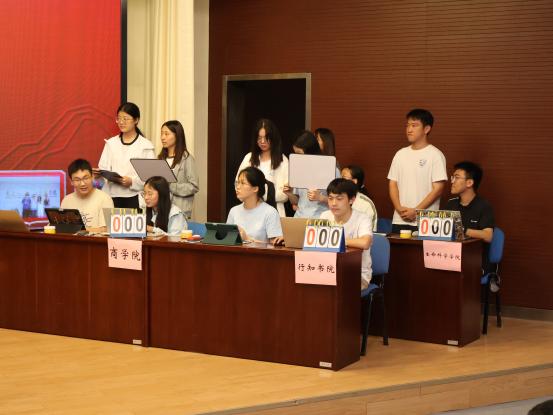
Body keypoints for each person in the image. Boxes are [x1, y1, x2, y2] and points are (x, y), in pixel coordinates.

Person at [387, 108, 447, 233]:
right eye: (407, 125)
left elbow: (438, 189)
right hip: (400, 219)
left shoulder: (435, 155)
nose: (409, 130)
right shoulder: (400, 154)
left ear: (426, 129)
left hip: (425, 221)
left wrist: (416, 211)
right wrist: (399, 208)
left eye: (414, 125)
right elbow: (393, 183)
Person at [94, 102, 155, 209]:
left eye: (125, 119)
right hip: (111, 197)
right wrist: (99, 174)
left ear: (136, 120)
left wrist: (132, 182)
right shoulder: (111, 143)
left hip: (135, 198)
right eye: (119, 118)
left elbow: (150, 177)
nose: (121, 122)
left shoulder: (145, 146)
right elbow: (103, 169)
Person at [320, 178, 373, 290]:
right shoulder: (325, 216)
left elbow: (365, 242)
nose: (334, 203)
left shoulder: (362, 218)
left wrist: (335, 240)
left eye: (339, 199)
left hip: (357, 274)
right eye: (330, 198)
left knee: (334, 286)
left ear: (351, 200)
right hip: (329, 269)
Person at [445, 161, 495, 274]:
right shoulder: (450, 204)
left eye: (457, 177)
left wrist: (461, 230)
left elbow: (488, 236)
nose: (452, 181)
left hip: (474, 260)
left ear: (469, 182)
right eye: (452, 177)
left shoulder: (484, 206)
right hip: (450, 257)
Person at [236, 118, 288, 217]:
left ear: (273, 138)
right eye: (259, 138)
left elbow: (285, 193)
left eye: (266, 138)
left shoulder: (282, 160)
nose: (262, 141)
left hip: (275, 210)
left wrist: (258, 195)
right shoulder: (249, 158)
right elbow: (238, 184)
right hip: (250, 210)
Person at [283, 130, 339, 218]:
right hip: (300, 218)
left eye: (299, 153)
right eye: (295, 153)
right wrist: (289, 193)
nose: (297, 157)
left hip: (321, 219)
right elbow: (297, 201)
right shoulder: (298, 169)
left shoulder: (332, 169)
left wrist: (321, 198)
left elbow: (339, 201)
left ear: (310, 151)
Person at [227, 167, 282, 243]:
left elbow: (274, 247)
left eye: (243, 183)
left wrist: (247, 238)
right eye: (237, 183)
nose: (238, 187)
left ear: (255, 188)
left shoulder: (270, 212)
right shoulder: (234, 211)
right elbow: (227, 240)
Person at [158, 120, 199, 219]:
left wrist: (171, 186)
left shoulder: (187, 159)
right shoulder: (160, 158)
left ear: (177, 135)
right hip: (161, 210)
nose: (162, 137)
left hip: (180, 212)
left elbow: (194, 186)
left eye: (166, 134)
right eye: (161, 134)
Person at [60, 159, 114, 231]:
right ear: (71, 182)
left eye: (85, 178)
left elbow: (106, 229)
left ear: (92, 177)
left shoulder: (105, 199)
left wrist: (79, 230)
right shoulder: (67, 200)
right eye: (77, 180)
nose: (82, 183)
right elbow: (61, 227)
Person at [341, 165, 378, 231]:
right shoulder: (338, 199)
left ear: (354, 181)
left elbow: (368, 232)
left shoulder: (366, 204)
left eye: (343, 178)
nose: (340, 181)